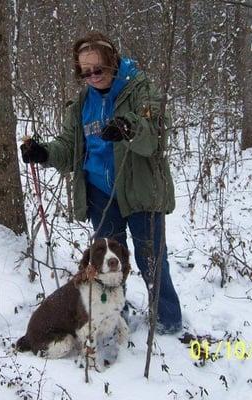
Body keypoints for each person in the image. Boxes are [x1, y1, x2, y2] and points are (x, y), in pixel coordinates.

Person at [20, 31, 182, 334]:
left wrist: (128, 127)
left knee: (151, 259)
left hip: (140, 190)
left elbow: (154, 139)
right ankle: (119, 312)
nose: (93, 76)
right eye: (86, 72)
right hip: (99, 193)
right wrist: (43, 153)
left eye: (99, 69)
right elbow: (69, 148)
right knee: (111, 262)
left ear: (113, 63)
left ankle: (168, 322)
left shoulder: (141, 90)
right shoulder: (82, 102)